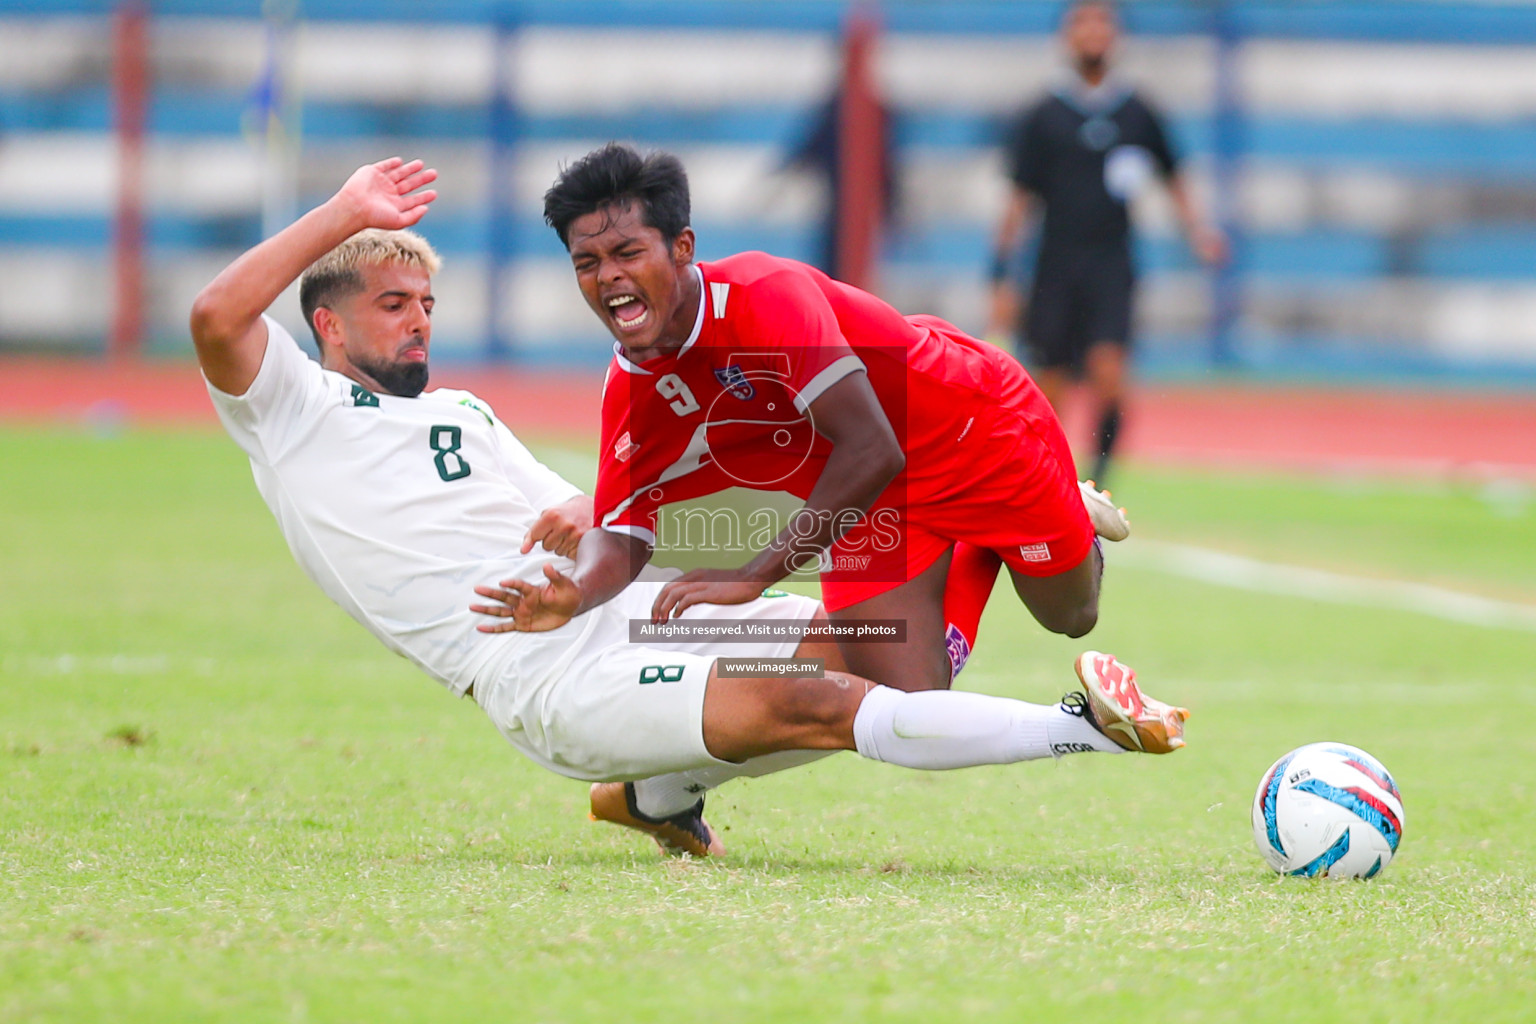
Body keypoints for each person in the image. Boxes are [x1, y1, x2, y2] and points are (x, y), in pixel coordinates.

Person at [188, 157, 1188, 860]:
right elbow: (215, 316)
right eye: (391, 305)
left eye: (426, 305)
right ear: (325, 320)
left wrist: (592, 529)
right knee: (817, 703)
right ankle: (1087, 726)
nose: (418, 323)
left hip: (617, 611)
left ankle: (654, 794)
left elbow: (606, 521)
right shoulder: (291, 409)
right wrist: (346, 209)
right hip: (537, 669)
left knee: (874, 647)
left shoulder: (462, 411)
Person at [492, 142, 1130, 700]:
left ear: (682, 248)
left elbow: (872, 447)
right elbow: (624, 530)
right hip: (867, 500)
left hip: (975, 434)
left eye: (628, 253)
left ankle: (1068, 516)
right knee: (911, 700)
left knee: (1071, 618)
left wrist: (753, 577)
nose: (610, 277)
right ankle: (984, 543)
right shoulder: (631, 387)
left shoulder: (764, 296)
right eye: (587, 262)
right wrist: (577, 594)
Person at [987, 0, 1226, 485]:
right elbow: (1018, 198)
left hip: (1112, 263)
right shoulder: (1044, 114)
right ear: (1067, 35)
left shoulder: (1138, 111)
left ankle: (1099, 478)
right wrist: (1001, 271)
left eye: (1102, 23)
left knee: (1108, 371)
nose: (1093, 33)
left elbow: (1173, 174)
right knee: (1048, 381)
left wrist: (1198, 232)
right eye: (1083, 23)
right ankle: (1052, 477)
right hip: (1055, 263)